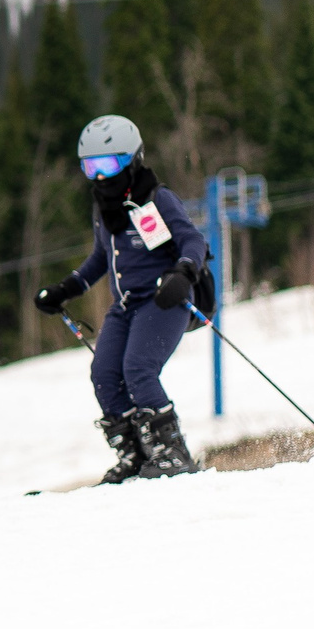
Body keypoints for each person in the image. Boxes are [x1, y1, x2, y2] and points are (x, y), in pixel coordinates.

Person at [33, 115, 209, 483]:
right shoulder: (105, 208)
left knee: (138, 369)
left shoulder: (156, 199)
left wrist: (183, 272)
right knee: (104, 374)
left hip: (162, 300)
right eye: (90, 167)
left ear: (133, 159)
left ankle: (173, 453)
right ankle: (136, 455)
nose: (100, 176)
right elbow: (101, 258)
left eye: (108, 165)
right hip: (125, 306)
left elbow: (192, 240)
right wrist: (66, 288)